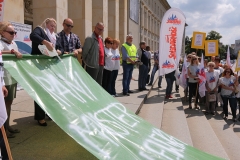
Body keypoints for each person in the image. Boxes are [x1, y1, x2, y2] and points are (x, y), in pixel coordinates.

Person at [30, 18, 58, 126]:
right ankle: (40, 117)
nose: (53, 28)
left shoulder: (55, 36)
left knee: (50, 90)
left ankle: (48, 112)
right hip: (39, 66)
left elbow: (56, 48)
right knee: (40, 90)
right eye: (51, 25)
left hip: (49, 67)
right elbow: (33, 36)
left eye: (54, 26)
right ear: (46, 24)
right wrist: (45, 42)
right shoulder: (40, 30)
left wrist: (58, 51)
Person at [0, 21, 22, 138]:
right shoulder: (1, 43)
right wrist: (12, 52)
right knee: (4, 105)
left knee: (9, 103)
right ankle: (4, 131)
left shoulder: (13, 43)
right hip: (4, 79)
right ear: (3, 33)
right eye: (11, 32)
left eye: (14, 32)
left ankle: (7, 126)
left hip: (12, 77)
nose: (13, 34)